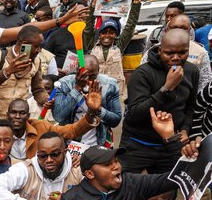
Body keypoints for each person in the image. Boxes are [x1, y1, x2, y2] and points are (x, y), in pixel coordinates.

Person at [55, 114, 183, 200]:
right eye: (107, 164)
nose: (116, 166)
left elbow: (176, 178)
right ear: (90, 174)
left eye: (116, 161)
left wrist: (172, 140)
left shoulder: (133, 184)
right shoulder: (72, 198)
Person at [119, 29, 199, 174]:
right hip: (137, 144)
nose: (176, 58)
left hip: (169, 146)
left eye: (182, 53)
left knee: (165, 194)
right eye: (169, 53)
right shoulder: (142, 73)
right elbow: (135, 113)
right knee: (124, 189)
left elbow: (190, 106)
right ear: (160, 50)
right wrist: (167, 88)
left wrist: (185, 129)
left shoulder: (192, 71)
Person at [0, 131, 83, 200]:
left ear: (65, 153)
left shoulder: (77, 170)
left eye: (55, 154)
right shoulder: (26, 169)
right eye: (43, 156)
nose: (49, 160)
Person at [84, 0, 141, 103]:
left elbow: (131, 25)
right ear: (99, 34)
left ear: (115, 35)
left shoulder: (119, 46)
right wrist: (93, 5)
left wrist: (137, 0)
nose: (107, 35)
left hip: (116, 94)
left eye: (111, 32)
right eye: (104, 32)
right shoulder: (92, 45)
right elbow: (88, 27)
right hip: (94, 92)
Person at [52, 54, 122, 146]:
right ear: (77, 71)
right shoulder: (64, 84)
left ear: (98, 71)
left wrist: (98, 110)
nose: (88, 80)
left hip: (97, 142)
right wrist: (77, 88)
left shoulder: (109, 85)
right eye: (85, 76)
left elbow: (115, 120)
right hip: (70, 143)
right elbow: (58, 116)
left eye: (93, 76)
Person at [0, 25, 49, 121]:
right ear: (25, 44)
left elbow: (38, 90)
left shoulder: (36, 61)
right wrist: (8, 71)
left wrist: (46, 100)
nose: (39, 50)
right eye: (37, 46)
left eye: (40, 47)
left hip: (19, 122)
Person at [141, 14, 212, 92]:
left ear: (189, 30)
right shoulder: (153, 51)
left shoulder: (200, 52)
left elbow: (204, 84)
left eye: (183, 28)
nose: (178, 31)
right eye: (174, 28)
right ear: (167, 29)